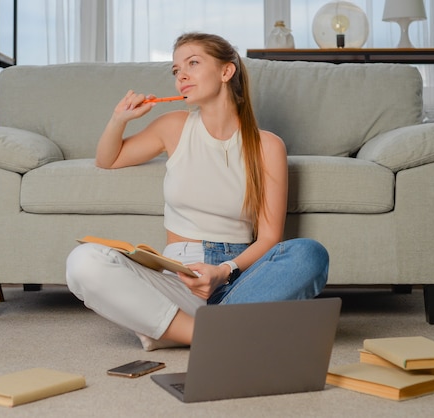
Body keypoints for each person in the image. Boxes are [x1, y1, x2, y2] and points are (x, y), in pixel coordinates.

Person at [66, 32, 329, 351]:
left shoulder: (268, 146)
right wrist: (118, 119)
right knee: (84, 261)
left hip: (240, 278)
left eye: (192, 63)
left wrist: (224, 271)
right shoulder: (173, 126)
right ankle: (213, 334)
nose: (182, 76)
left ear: (226, 71)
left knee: (309, 254)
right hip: (182, 281)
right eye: (176, 70)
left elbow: (270, 238)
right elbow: (108, 160)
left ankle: (172, 329)